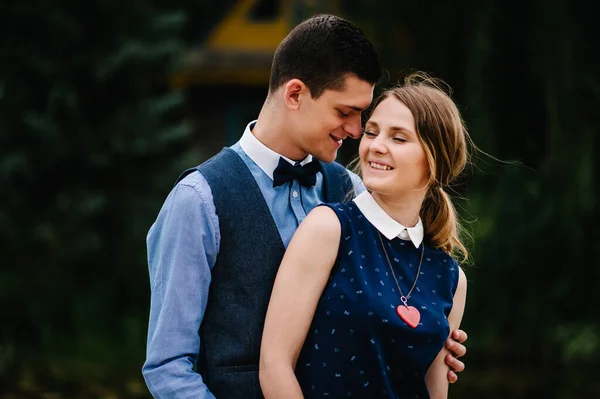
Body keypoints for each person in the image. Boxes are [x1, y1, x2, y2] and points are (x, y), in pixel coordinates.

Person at [142, 15, 467, 399]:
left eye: (363, 114)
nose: (357, 131)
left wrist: (423, 339)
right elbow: (169, 367)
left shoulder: (351, 189)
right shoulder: (198, 200)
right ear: (295, 94)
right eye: (345, 112)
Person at [259, 73, 470, 398]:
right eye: (372, 132)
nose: (375, 146)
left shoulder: (451, 277)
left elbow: (435, 391)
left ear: (435, 160)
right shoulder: (329, 229)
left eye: (398, 138)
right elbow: (274, 365)